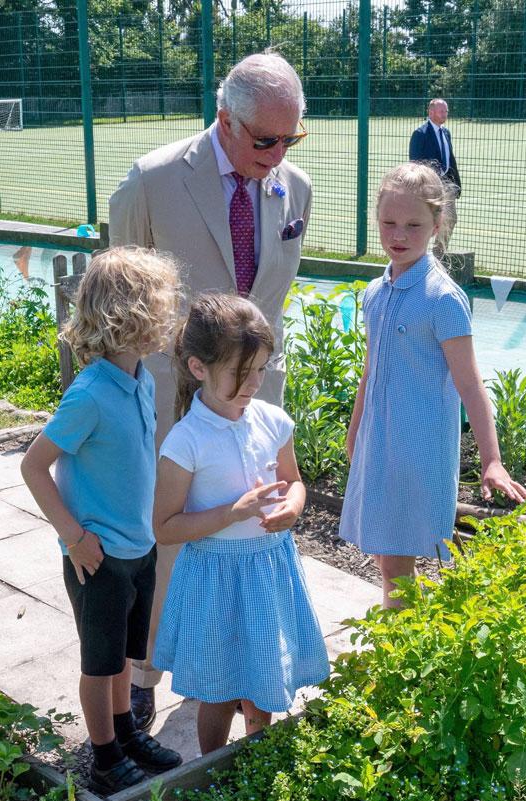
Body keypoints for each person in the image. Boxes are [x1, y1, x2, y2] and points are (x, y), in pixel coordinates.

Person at [108, 51, 313, 729]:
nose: (279, 153)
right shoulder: (153, 180)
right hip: (176, 398)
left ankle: (234, 659)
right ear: (225, 119)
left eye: (292, 138)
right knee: (165, 535)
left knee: (245, 535)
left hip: (256, 399)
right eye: (266, 140)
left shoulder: (296, 190)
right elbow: (119, 304)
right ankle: (143, 671)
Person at [19, 247, 185, 794]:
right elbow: (34, 466)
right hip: (99, 557)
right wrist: (75, 538)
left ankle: (125, 735)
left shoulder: (141, 380)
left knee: (123, 659)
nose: (168, 320)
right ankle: (104, 756)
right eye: (161, 309)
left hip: (138, 548)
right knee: (100, 663)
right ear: (132, 317)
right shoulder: (88, 394)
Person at [341, 162, 526, 607]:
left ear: (437, 225)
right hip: (381, 444)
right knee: (389, 562)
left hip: (418, 451)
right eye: (388, 222)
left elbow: (470, 385)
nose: (398, 234)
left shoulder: (443, 299)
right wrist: (355, 434)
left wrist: (492, 460)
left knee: (398, 567)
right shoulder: (376, 291)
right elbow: (371, 372)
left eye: (413, 224)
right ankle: (402, 649)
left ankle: (401, 656)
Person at [151, 294, 330, 755]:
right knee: (219, 687)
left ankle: (255, 759)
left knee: (263, 675)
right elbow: (165, 528)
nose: (253, 383)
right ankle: (210, 766)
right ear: (198, 368)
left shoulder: (273, 421)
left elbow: (294, 482)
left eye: (260, 371)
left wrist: (293, 506)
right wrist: (233, 512)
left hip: (267, 571)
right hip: (215, 579)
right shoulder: (186, 441)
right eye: (239, 372)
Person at [409, 98, 461, 195]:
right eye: (441, 111)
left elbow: (450, 159)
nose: (444, 114)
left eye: (446, 111)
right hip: (429, 188)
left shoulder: (446, 133)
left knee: (450, 211)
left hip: (448, 186)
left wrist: (456, 184)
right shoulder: (420, 134)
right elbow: (414, 164)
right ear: (431, 112)